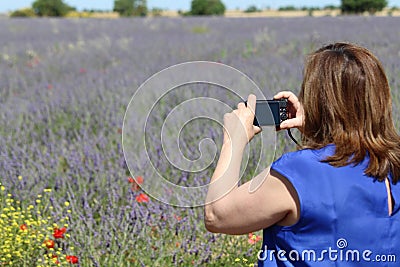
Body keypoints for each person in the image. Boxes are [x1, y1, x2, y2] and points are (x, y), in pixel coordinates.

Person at [204, 42, 400, 266]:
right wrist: (320, 129)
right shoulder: (392, 164)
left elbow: (217, 216)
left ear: (317, 101)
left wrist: (234, 140)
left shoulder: (301, 170)